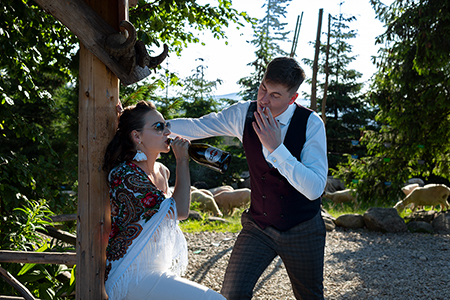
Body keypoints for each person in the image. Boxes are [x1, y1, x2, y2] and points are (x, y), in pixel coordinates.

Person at [169, 57, 328, 299]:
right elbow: (198, 127)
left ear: (292, 98)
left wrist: (277, 149)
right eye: (263, 88)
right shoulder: (244, 113)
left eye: (275, 95)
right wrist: (152, 125)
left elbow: (315, 188)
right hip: (259, 226)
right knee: (232, 294)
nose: (263, 100)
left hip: (303, 229)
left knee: (311, 297)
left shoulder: (311, 124)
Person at [103, 100, 226, 300]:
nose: (167, 132)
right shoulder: (125, 174)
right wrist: (182, 160)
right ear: (137, 136)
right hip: (130, 273)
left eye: (166, 126)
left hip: (155, 269)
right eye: (159, 127)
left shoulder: (162, 171)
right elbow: (181, 211)